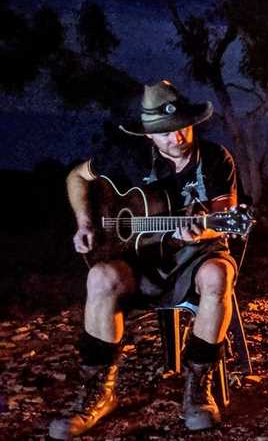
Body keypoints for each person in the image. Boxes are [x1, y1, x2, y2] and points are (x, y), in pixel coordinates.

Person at [49, 80, 239, 439]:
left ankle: (198, 387)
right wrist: (86, 222)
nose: (176, 139)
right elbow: (76, 176)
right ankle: (98, 394)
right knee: (100, 278)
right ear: (149, 135)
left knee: (217, 276)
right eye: (164, 134)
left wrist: (200, 229)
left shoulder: (215, 158)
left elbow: (223, 218)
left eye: (181, 128)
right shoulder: (127, 156)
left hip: (196, 255)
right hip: (139, 261)